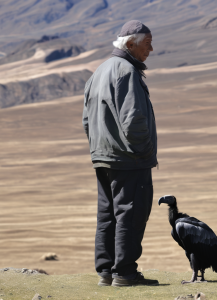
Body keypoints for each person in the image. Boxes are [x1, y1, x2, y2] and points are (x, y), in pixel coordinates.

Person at [82, 20, 158, 287]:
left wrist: (99, 148)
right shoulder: (126, 71)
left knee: (108, 214)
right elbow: (133, 119)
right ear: (130, 44)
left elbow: (86, 120)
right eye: (147, 44)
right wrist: (145, 152)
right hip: (128, 158)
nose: (151, 50)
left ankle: (106, 271)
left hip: (103, 156)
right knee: (131, 212)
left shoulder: (99, 72)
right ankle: (124, 273)